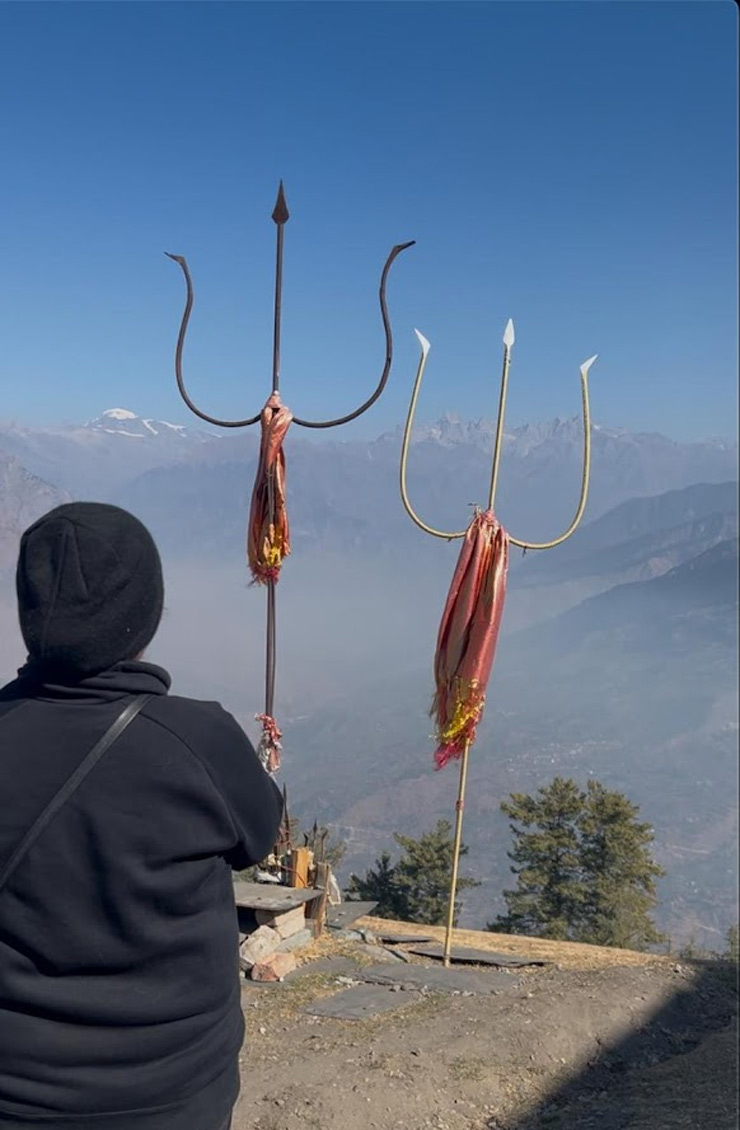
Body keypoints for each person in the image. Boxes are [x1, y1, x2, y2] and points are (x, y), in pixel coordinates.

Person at [0, 502, 283, 1130]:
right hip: (174, 1088)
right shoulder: (199, 739)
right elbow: (260, 836)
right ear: (146, 612)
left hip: (17, 1091)